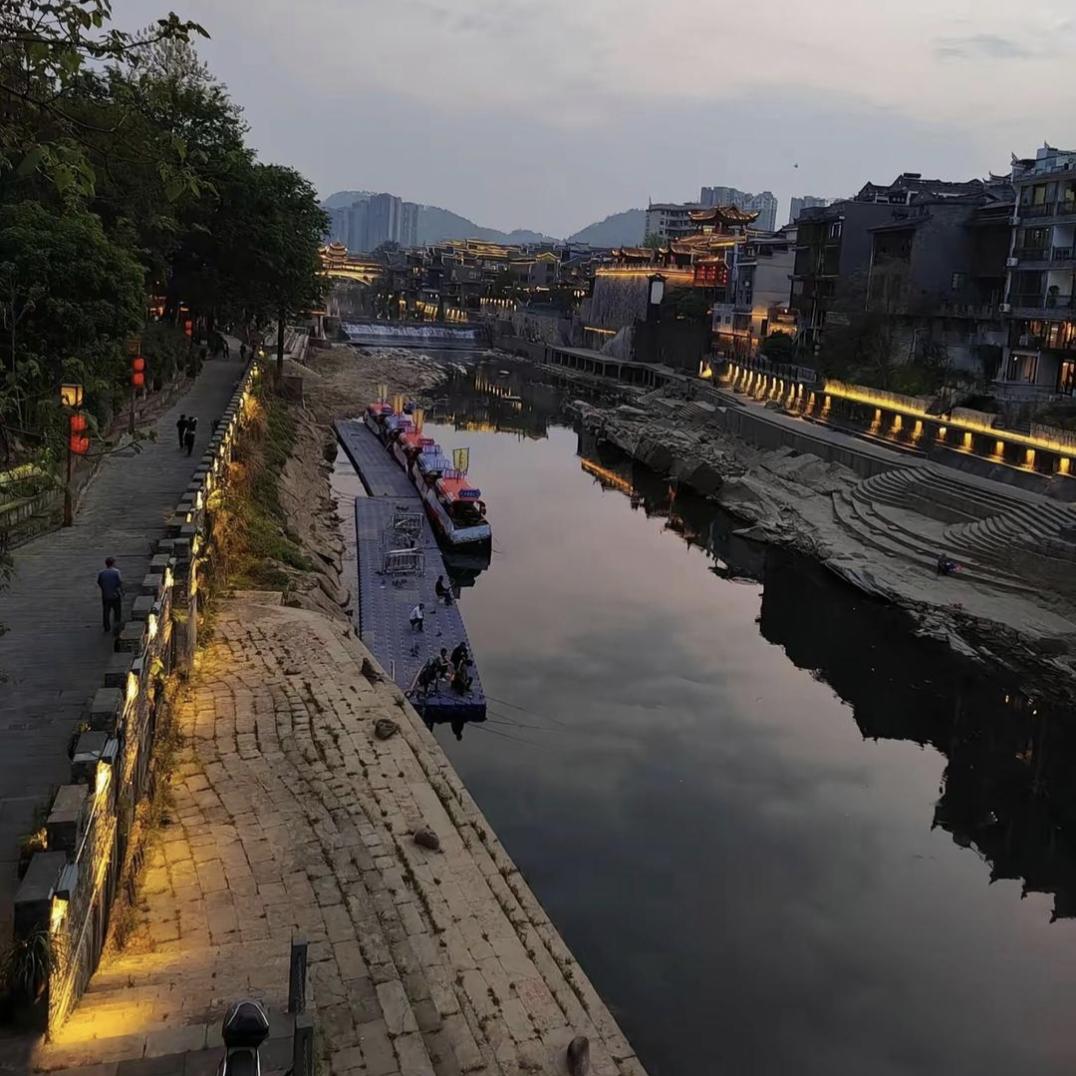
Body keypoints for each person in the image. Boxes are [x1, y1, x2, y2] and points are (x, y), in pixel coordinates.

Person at [97, 557, 123, 634]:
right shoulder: (116, 572)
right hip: (115, 595)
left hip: (105, 595)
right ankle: (116, 628)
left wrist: (104, 588)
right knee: (117, 612)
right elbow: (119, 583)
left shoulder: (101, 573)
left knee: (106, 612)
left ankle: (106, 627)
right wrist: (121, 591)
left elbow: (99, 582)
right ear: (113, 563)